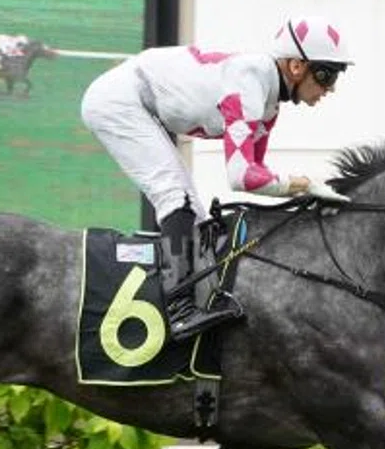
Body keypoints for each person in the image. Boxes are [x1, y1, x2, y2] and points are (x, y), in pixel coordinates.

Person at [80, 19, 352, 342]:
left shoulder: (268, 103)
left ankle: (191, 302)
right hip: (118, 100)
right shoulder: (250, 85)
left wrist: (305, 194)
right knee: (176, 197)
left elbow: (258, 172)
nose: (330, 88)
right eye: (327, 75)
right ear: (296, 66)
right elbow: (242, 177)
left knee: (195, 214)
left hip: (139, 100)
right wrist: (306, 184)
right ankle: (179, 311)